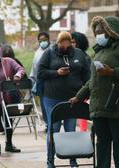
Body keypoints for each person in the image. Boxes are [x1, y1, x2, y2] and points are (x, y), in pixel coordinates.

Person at [70, 16, 119, 168]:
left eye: (102, 31)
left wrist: (113, 72)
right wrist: (79, 96)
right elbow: (92, 80)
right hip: (99, 107)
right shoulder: (99, 51)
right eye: (96, 32)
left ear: (111, 31)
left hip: (117, 104)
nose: (98, 35)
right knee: (102, 142)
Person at [37, 31, 90, 168]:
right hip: (52, 97)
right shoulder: (49, 53)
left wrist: (86, 92)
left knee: (70, 129)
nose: (65, 49)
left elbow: (86, 74)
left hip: (72, 98)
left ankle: (72, 159)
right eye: (63, 47)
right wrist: (56, 73)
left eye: (68, 46)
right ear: (58, 43)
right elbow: (40, 72)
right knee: (53, 129)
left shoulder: (78, 53)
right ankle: (50, 160)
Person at [29, 32, 50, 132]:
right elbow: (34, 68)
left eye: (45, 40)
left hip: (52, 81)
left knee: (50, 103)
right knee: (43, 104)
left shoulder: (53, 50)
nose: (43, 42)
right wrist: (33, 81)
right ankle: (47, 124)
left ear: (48, 39)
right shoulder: (37, 53)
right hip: (41, 82)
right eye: (40, 40)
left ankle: (52, 123)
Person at [71, 32, 91, 132]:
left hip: (82, 90)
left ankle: (83, 132)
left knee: (81, 114)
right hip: (73, 90)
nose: (71, 44)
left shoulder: (84, 58)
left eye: (73, 42)